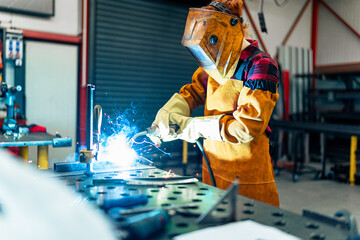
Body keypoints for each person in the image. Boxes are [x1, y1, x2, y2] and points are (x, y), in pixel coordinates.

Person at [151, 0, 280, 207]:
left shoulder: (261, 65)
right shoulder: (213, 66)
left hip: (247, 178)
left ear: (230, 29)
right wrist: (168, 112)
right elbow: (193, 92)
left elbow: (246, 127)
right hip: (211, 170)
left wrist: (191, 127)